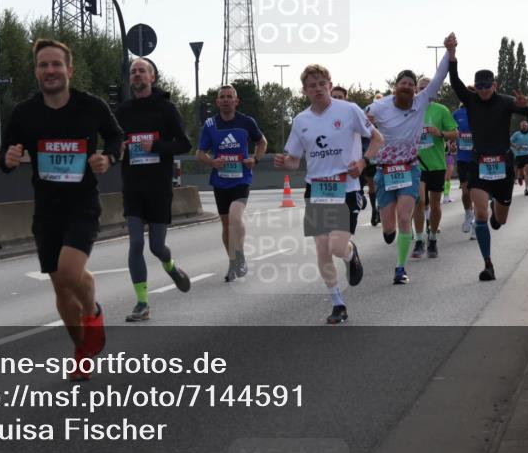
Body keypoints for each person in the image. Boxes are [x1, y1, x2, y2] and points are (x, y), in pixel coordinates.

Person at [0, 38, 122, 380]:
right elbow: (6, 150)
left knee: (69, 273)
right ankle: (81, 350)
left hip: (82, 205)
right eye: (43, 65)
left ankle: (92, 309)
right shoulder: (25, 113)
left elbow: (116, 137)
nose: (50, 71)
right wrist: (8, 159)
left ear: (69, 69)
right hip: (47, 210)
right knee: (60, 286)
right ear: (36, 72)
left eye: (56, 64)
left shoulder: (91, 106)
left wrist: (108, 157)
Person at [275, 64, 382, 323]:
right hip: (317, 188)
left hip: (346, 186)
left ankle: (349, 253)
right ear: (304, 91)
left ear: (330, 86)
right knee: (322, 248)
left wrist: (363, 162)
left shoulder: (349, 110)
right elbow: (294, 160)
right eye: (312, 85)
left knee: (336, 246)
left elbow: (378, 139)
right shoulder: (301, 120)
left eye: (322, 83)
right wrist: (284, 163)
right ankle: (337, 303)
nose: (318, 88)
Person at [367, 34, 455, 283]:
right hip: (385, 169)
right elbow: (358, 125)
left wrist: (450, 52)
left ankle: (400, 269)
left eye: (410, 83)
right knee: (388, 227)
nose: (406, 86)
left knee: (406, 216)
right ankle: (389, 232)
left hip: (409, 168)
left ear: (415, 89)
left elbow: (440, 76)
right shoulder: (379, 107)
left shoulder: (421, 101)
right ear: (395, 87)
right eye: (402, 83)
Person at [115, 57, 192, 322]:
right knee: (136, 243)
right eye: (133, 72)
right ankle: (142, 303)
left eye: (142, 71)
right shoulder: (122, 111)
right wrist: (118, 149)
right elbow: (112, 145)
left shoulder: (166, 109)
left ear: (152, 77)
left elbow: (184, 144)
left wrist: (156, 147)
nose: (136, 75)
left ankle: (170, 266)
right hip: (133, 186)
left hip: (158, 187)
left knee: (157, 247)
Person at [449, 51, 528, 282]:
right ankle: (488, 264)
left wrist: (526, 107)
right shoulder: (471, 100)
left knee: (500, 221)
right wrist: (452, 56)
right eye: (480, 86)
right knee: (481, 214)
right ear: (475, 88)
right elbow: (455, 82)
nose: (484, 90)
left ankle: (497, 213)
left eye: (487, 86)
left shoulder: (506, 101)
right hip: (480, 165)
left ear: (494, 85)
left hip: (503, 165)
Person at [196, 84, 268, 282]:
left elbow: (262, 142)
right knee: (226, 225)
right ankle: (232, 262)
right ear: (217, 101)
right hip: (220, 181)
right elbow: (199, 153)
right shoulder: (210, 125)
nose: (226, 100)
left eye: (230, 97)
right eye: (223, 97)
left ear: (236, 101)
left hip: (241, 178)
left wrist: (255, 159)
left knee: (236, 217)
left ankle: (241, 255)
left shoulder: (246, 122)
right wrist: (212, 162)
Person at [412, 74, 458, 260]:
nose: (423, 90)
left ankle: (432, 239)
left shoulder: (441, 110)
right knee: (419, 202)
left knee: (435, 204)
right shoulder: (410, 110)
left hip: (437, 164)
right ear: (415, 90)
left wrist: (440, 132)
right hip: (416, 164)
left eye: (427, 87)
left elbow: (455, 133)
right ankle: (418, 239)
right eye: (420, 87)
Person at [332, 86, 372, 232]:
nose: (336, 100)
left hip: (351, 175)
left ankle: (360, 195)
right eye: (333, 97)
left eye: (339, 97)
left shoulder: (353, 114)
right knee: (324, 237)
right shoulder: (318, 117)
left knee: (344, 234)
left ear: (346, 98)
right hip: (326, 182)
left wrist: (363, 160)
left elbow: (373, 137)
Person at [453, 101, 476, 239]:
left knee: (477, 192)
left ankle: (476, 225)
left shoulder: (480, 111)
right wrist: (451, 142)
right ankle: (468, 213)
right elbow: (450, 129)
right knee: (466, 191)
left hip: (478, 158)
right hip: (463, 158)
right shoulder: (457, 114)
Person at [510, 119, 528, 196]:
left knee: (527, 170)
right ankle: (519, 177)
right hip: (519, 155)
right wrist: (516, 146)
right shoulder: (516, 134)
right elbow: (510, 141)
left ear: (527, 126)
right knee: (520, 170)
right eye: (523, 126)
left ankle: (526, 189)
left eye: (525, 126)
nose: (524, 127)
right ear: (520, 126)